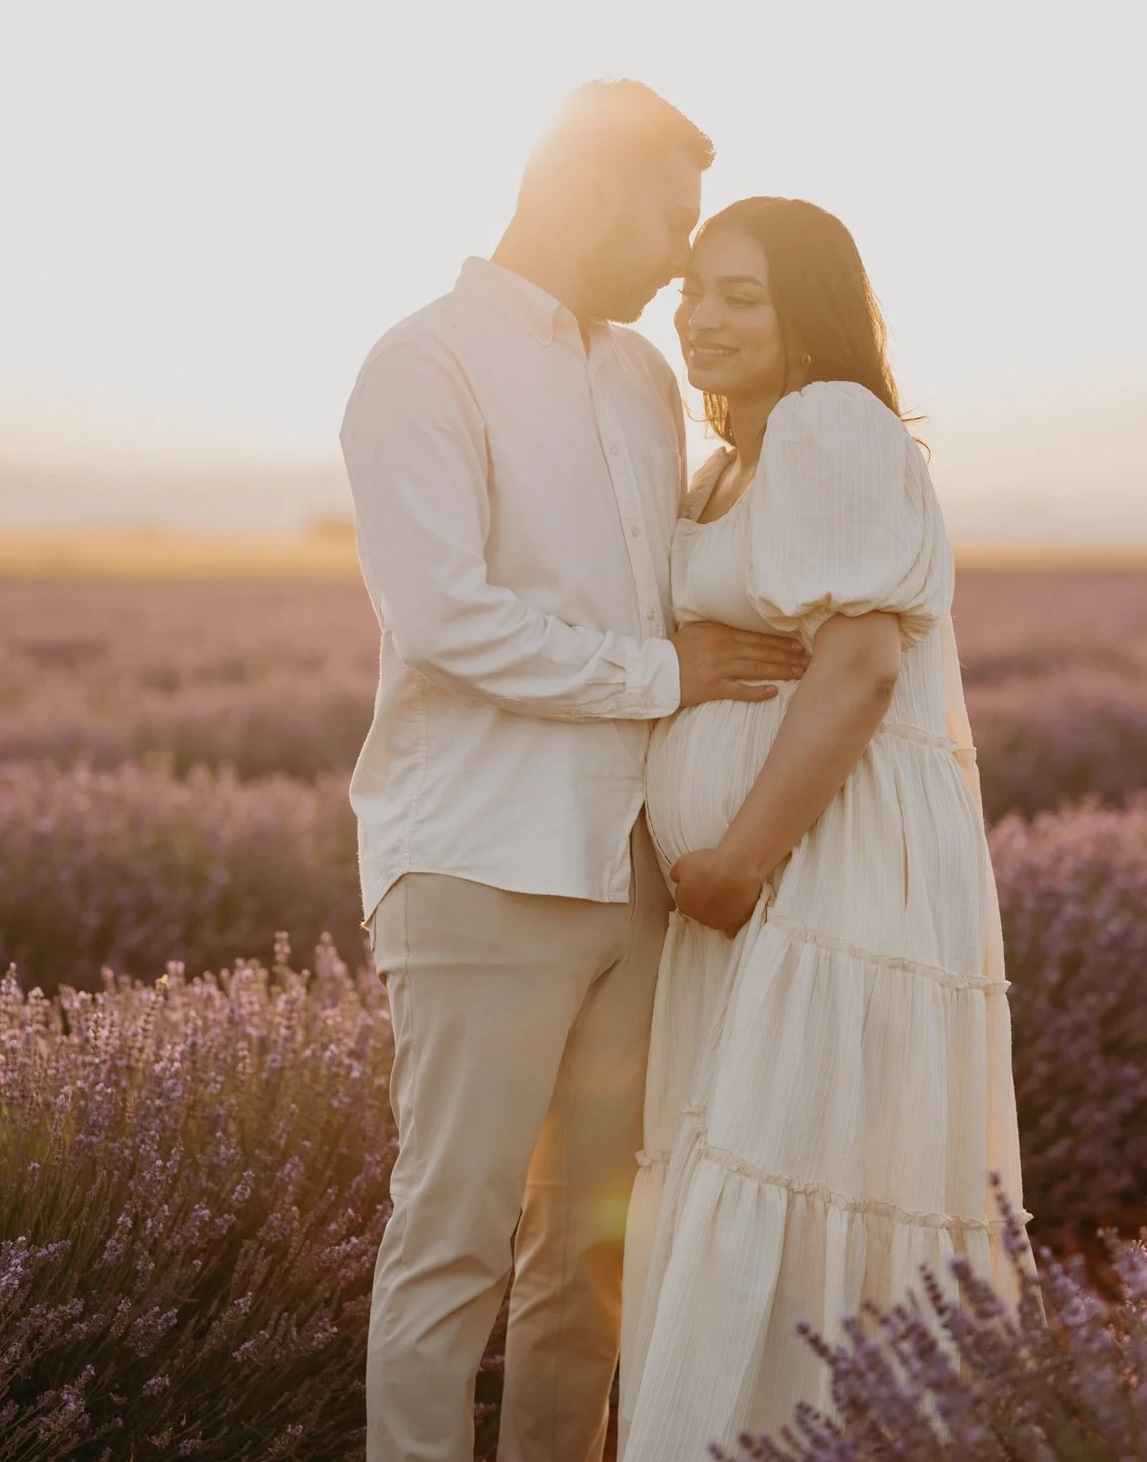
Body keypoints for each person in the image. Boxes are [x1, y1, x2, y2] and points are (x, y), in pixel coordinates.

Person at [340, 84, 808, 1462]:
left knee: (592, 1253)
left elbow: (673, 583)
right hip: (481, 863)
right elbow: (447, 619)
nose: (680, 260)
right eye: (669, 220)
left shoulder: (644, 378)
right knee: (452, 1244)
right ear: (591, 192)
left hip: (637, 873)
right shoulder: (423, 365)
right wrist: (662, 676)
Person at [618, 197, 1026, 1458]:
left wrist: (740, 858)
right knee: (752, 1189)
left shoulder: (826, 421)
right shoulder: (726, 463)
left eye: (741, 295)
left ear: (809, 316)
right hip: (751, 897)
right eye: (694, 291)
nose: (703, 317)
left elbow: (860, 666)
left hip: (816, 875)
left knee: (801, 1188)